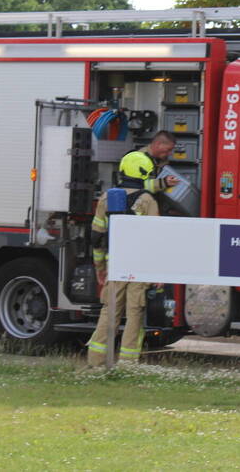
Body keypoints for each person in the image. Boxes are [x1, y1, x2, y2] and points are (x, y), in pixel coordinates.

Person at [86, 149, 170, 367]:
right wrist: (158, 271)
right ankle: (127, 363)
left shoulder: (106, 198)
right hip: (139, 266)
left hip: (116, 265)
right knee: (135, 312)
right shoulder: (147, 200)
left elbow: (97, 237)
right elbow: (157, 239)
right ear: (144, 173)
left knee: (110, 311)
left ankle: (95, 361)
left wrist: (100, 267)